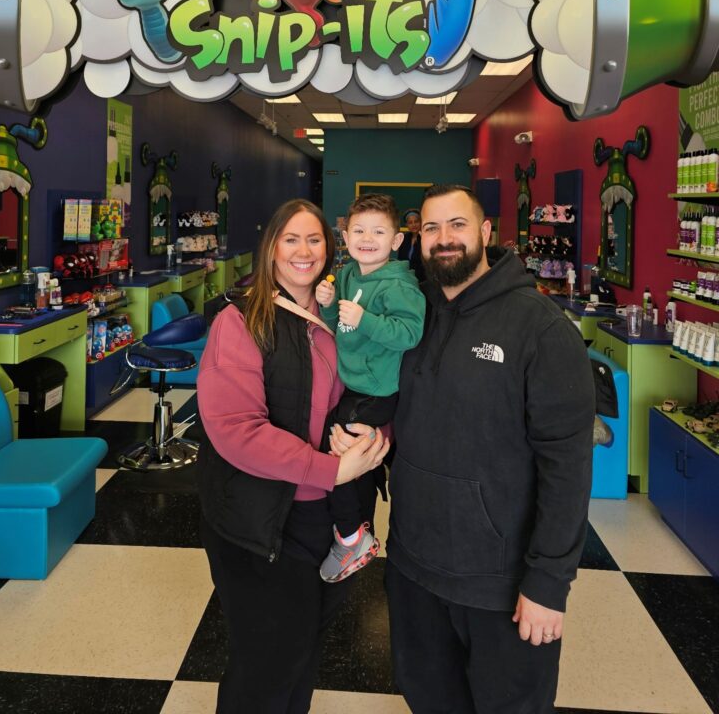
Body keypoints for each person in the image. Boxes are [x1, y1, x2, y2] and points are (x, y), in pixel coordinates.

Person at [384, 184, 595, 714]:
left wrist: (549, 583)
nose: (443, 239)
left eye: (458, 225)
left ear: (484, 233)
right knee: (429, 699)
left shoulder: (541, 329)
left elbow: (567, 466)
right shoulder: (413, 315)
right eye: (431, 228)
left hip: (501, 582)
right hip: (413, 566)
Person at [196, 199, 389, 714]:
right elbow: (235, 429)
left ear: (332, 247)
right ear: (271, 249)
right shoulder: (241, 320)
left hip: (326, 518)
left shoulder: (344, 317)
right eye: (291, 239)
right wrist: (331, 468)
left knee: (301, 656)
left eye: (315, 239)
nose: (305, 251)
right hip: (261, 522)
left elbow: (377, 387)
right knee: (266, 666)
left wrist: (374, 434)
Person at [315, 193, 425, 583]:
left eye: (379, 232)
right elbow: (338, 322)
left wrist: (365, 319)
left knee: (337, 456)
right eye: (358, 230)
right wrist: (327, 302)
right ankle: (361, 525)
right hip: (354, 385)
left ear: (396, 241)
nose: (367, 238)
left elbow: (410, 334)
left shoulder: (400, 286)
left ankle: (350, 538)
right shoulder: (347, 275)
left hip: (378, 390)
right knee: (340, 448)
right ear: (345, 235)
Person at [395, 206, 425, 283]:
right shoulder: (403, 238)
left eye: (416, 221)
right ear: (406, 225)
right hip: (405, 277)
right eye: (410, 222)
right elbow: (400, 259)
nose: (414, 224)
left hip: (422, 278)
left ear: (421, 222)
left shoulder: (425, 238)